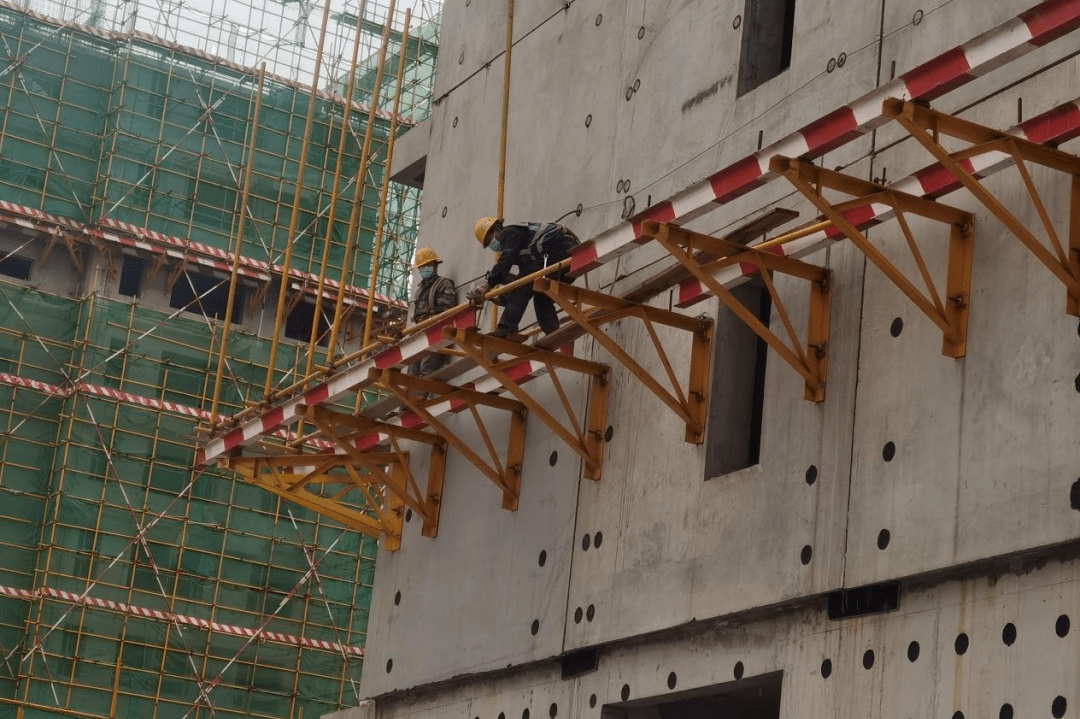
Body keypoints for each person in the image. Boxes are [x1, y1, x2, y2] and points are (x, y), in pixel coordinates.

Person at [471, 217, 579, 338]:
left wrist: (487, 285)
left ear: (497, 230)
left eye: (489, 239)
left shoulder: (510, 232)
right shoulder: (522, 249)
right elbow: (521, 281)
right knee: (541, 293)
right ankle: (553, 333)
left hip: (563, 249)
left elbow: (505, 264)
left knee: (525, 284)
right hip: (560, 258)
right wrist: (501, 297)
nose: (492, 245)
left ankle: (507, 329)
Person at [410, 247, 457, 374]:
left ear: (435, 265)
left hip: (435, 331)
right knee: (412, 372)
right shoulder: (420, 290)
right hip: (419, 333)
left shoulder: (443, 284)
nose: (425, 269)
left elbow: (446, 311)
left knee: (427, 369)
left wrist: (430, 319)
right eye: (422, 267)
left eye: (428, 265)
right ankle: (415, 394)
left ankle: (422, 394)